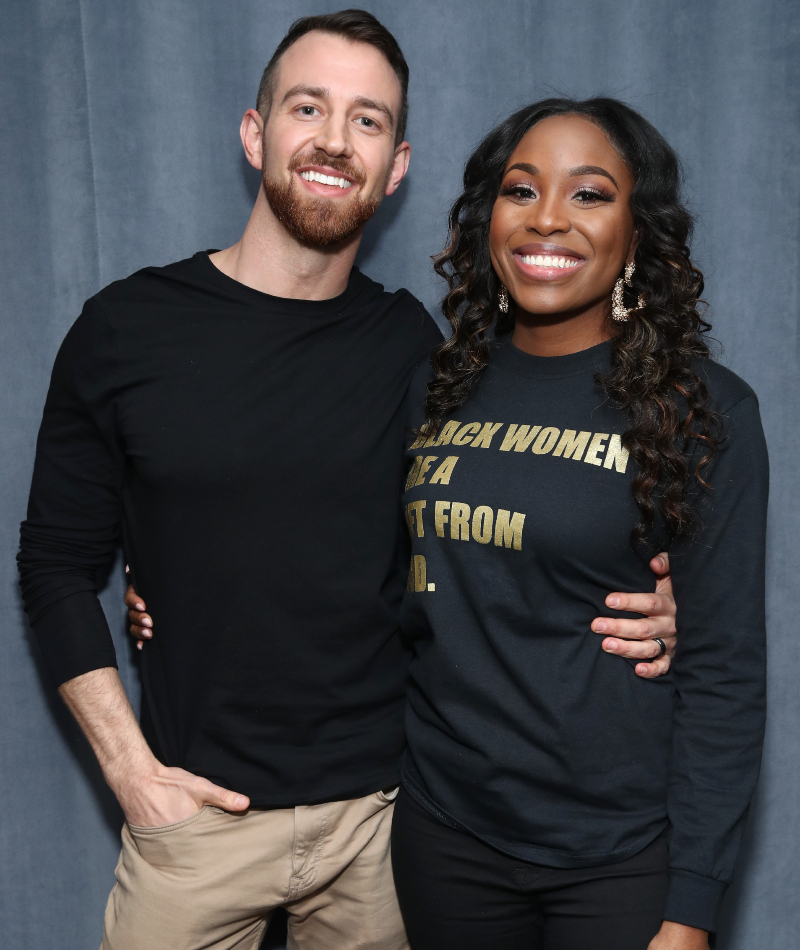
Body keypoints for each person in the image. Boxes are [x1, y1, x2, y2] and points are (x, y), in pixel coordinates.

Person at [18, 9, 678, 949]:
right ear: (257, 134)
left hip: (389, 827)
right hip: (195, 822)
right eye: (308, 107)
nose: (335, 139)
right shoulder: (126, 329)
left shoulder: (420, 350)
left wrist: (665, 605)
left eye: (367, 120)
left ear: (396, 166)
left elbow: (514, 520)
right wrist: (133, 773)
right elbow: (51, 563)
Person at [389, 97, 768, 950]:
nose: (548, 217)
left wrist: (692, 907)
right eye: (521, 190)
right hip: (447, 831)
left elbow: (726, 675)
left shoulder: (706, 411)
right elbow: (383, 585)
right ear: (490, 216)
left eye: (590, 194)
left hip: (620, 857)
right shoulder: (435, 388)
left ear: (639, 231)